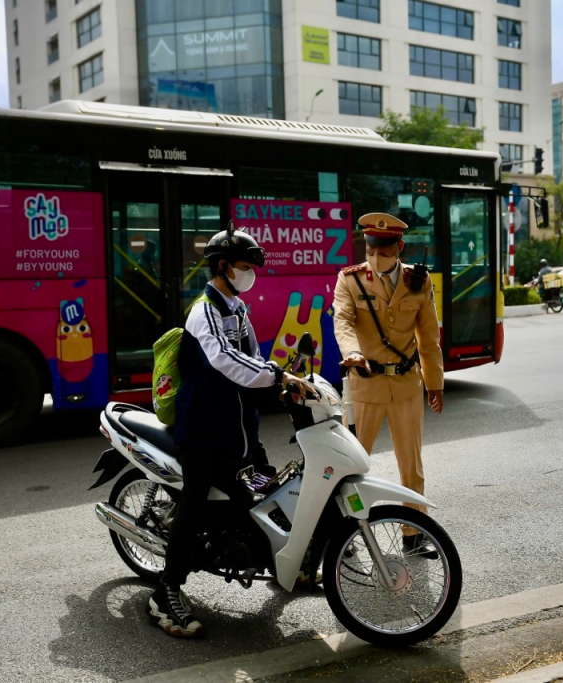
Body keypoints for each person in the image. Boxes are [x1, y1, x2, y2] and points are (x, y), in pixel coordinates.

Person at [148, 223, 312, 639]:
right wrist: (278, 379)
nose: (249, 274)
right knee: (195, 505)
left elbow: (253, 359)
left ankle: (279, 561)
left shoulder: (236, 309)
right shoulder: (204, 312)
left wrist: (284, 384)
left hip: (237, 428)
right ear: (222, 267)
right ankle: (165, 591)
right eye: (243, 266)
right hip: (204, 430)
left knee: (266, 487)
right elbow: (226, 360)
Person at [331, 212, 444, 558]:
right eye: (370, 247)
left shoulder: (418, 281)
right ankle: (342, 532)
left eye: (384, 248)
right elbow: (344, 321)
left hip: (407, 385)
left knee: (411, 464)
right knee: (351, 463)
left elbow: (428, 337)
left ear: (399, 247)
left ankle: (414, 533)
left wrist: (434, 383)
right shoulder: (350, 280)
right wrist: (351, 353)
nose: (376, 255)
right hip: (365, 384)